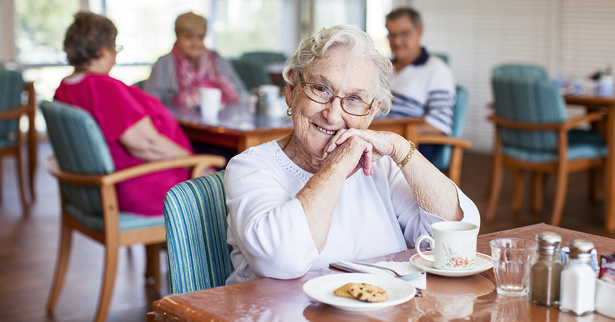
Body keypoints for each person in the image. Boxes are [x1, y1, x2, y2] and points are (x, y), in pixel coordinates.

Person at [224, 25, 480, 284]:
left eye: (355, 99)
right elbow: (281, 260)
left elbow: (456, 237)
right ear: (290, 90)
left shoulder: (381, 167)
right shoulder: (252, 167)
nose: (333, 115)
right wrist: (337, 165)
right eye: (320, 89)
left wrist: (399, 147)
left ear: (371, 113)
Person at [55, 11, 193, 216]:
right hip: (138, 187)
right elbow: (147, 146)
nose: (116, 55)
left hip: (94, 190)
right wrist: (194, 161)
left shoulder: (64, 88)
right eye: (115, 48)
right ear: (103, 51)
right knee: (217, 183)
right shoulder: (103, 88)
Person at [385, 7, 456, 162]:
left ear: (420, 30)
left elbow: (438, 124)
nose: (397, 41)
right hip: (374, 143)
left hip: (406, 153)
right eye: (392, 34)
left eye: (404, 33)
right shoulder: (383, 67)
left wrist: (387, 135)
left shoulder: (437, 70)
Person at [143, 12, 247, 108]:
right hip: (180, 124)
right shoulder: (164, 63)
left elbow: (241, 94)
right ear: (178, 37)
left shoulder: (216, 59)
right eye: (188, 37)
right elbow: (150, 104)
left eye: (200, 37)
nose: (195, 43)